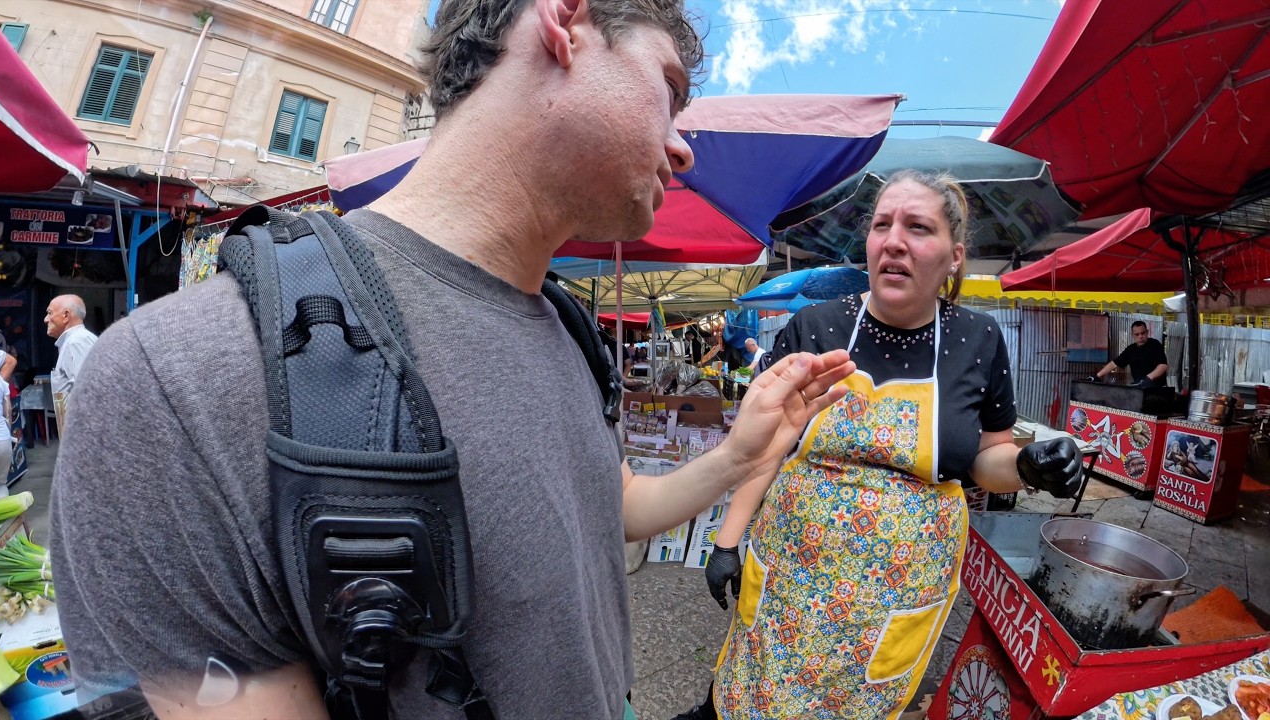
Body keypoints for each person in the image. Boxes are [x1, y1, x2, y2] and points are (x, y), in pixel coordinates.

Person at [49, 0, 858, 717]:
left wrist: (738, 455)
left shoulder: (568, 330)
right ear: (567, 22)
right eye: (670, 91)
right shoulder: (175, 379)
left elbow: (616, 508)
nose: (683, 150)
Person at [675, 171, 1083, 720]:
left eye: (918, 227)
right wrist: (728, 541)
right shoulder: (814, 327)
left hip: (897, 593)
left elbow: (988, 459)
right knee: (751, 694)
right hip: (793, 574)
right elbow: (764, 447)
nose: (894, 241)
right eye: (882, 224)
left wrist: (1028, 467)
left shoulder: (978, 339)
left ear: (954, 257)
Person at [44, 294, 98, 433]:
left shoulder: (77, 342)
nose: (46, 319)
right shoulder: (75, 341)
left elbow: (87, 391)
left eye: (50, 313)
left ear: (66, 316)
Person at [1090, 320, 1168, 387]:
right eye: (1137, 334)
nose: (1140, 336)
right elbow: (1114, 363)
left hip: (1158, 389)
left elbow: (1163, 366)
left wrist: (1149, 378)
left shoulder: (1155, 345)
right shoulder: (1131, 349)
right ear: (1132, 335)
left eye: (1143, 333)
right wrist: (1097, 376)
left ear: (1147, 332)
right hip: (1139, 388)